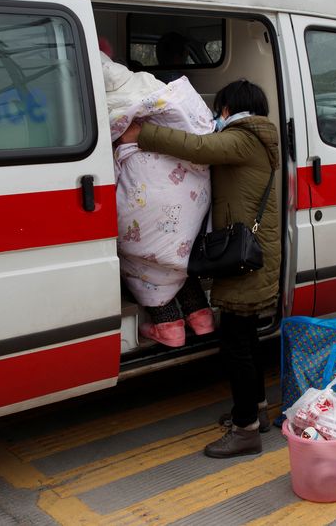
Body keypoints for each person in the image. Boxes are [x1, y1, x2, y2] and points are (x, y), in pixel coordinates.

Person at [119, 79, 280, 458]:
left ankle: (246, 431)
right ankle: (256, 411)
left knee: (237, 345)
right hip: (253, 258)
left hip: (248, 264)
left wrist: (145, 134)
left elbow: (199, 147)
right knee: (247, 341)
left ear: (230, 108)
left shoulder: (245, 138)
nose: (215, 116)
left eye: (218, 109)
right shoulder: (256, 138)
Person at [100, 41, 216, 347]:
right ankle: (200, 316)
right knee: (178, 254)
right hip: (186, 196)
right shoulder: (150, 85)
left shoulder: (100, 99)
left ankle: (168, 325)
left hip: (147, 196)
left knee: (141, 255)